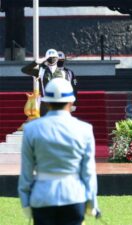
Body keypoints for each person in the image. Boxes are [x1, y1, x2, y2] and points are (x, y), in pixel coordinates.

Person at [18, 78, 99, 225]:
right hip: (74, 196)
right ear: (71, 102)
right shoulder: (85, 129)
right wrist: (92, 202)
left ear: (46, 102)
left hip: (42, 197)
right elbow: (88, 172)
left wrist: (25, 201)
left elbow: (26, 171)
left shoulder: (31, 129)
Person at [21, 48, 69, 116]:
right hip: (45, 104)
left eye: (54, 57)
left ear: (57, 58)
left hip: (58, 103)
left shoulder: (63, 73)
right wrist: (36, 62)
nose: (52, 59)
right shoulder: (41, 71)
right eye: (49, 57)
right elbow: (24, 70)